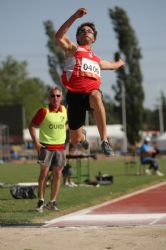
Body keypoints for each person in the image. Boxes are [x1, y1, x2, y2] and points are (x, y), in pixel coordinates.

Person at [55, 8, 125, 156]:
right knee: (74, 139)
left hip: (90, 95)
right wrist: (74, 17)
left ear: (94, 38)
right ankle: (82, 136)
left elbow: (111, 66)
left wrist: (120, 63)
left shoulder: (97, 60)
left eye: (89, 30)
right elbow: (59, 36)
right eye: (82, 30)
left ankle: (104, 141)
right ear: (78, 37)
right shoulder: (73, 49)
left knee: (96, 96)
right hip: (74, 96)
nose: (85, 31)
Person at [28, 87, 67, 212]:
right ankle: (40, 201)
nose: (55, 98)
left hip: (60, 148)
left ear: (61, 97)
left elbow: (65, 125)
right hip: (46, 147)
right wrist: (36, 143)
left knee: (58, 175)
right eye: (52, 95)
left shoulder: (64, 110)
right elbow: (32, 126)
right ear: (49, 97)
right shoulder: (44, 111)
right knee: (43, 174)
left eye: (58, 96)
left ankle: (52, 202)